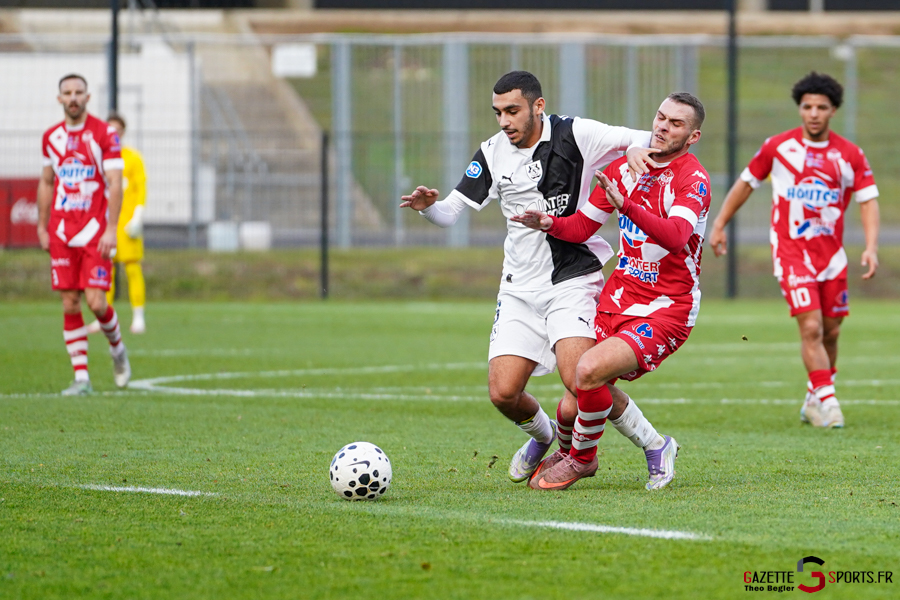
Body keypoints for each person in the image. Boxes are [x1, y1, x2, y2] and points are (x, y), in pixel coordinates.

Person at [400, 70, 676, 489]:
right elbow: (449, 213)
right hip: (517, 288)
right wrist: (426, 208)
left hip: (572, 279)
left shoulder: (577, 133)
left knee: (581, 378)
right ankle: (545, 436)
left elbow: (640, 137)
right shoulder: (492, 152)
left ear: (538, 106)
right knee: (503, 394)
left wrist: (638, 151)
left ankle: (655, 444)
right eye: (497, 113)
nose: (504, 121)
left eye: (512, 111)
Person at [513, 92, 709, 491]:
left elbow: (675, 237)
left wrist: (628, 207)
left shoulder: (694, 179)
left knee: (587, 372)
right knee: (574, 397)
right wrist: (548, 222)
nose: (662, 127)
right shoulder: (623, 169)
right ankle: (656, 445)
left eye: (676, 124)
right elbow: (583, 227)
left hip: (667, 309)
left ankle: (581, 460)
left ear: (693, 136)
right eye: (660, 117)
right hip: (618, 298)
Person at [709, 72, 879, 429]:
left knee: (831, 332)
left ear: (833, 110)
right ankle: (830, 405)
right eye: (807, 106)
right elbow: (746, 183)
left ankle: (812, 399)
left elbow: (868, 201)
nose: (813, 113)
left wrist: (871, 247)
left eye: (821, 107)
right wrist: (721, 223)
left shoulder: (849, 155)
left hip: (831, 258)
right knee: (812, 329)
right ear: (799, 109)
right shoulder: (778, 147)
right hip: (791, 254)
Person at [37, 74, 131, 395]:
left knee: (96, 301)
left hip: (94, 231)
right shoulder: (50, 138)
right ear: (60, 98)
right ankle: (81, 378)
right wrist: (41, 224)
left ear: (88, 97)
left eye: (79, 92)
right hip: (62, 230)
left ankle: (117, 348)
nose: (73, 97)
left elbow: (115, 183)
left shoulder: (104, 134)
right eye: (67, 92)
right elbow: (47, 182)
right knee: (69, 301)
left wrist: (111, 228)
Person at [86, 112, 148, 335]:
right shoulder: (97, 156)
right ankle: (103, 317)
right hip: (103, 224)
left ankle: (138, 317)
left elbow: (140, 187)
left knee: (132, 268)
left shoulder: (132, 157)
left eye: (117, 129)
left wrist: (137, 217)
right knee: (104, 272)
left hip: (126, 223)